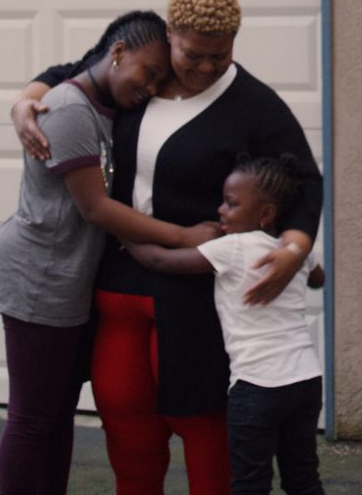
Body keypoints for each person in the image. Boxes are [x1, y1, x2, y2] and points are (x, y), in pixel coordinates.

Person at [10, 0, 323, 495]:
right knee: (125, 420)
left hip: (196, 293)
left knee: (204, 425)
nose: (205, 67)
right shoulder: (142, 75)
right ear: (169, 34)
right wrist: (26, 100)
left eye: (219, 55)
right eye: (192, 55)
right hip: (118, 284)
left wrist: (295, 248)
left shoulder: (253, 104)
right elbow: (73, 72)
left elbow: (304, 180)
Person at [0, 10, 221, 495]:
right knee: (33, 418)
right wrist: (183, 237)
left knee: (56, 414)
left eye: (158, 79)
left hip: (67, 280)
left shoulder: (105, 105)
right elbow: (95, 208)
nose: (150, 88)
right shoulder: (69, 110)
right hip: (38, 278)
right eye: (147, 73)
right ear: (117, 52)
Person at [127, 153, 327, 495]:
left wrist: (125, 235)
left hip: (257, 386)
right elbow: (319, 279)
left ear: (265, 214)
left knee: (250, 482)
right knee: (303, 477)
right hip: (305, 381)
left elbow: (162, 261)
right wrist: (297, 255)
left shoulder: (232, 248)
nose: (221, 210)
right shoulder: (291, 251)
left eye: (231, 204)